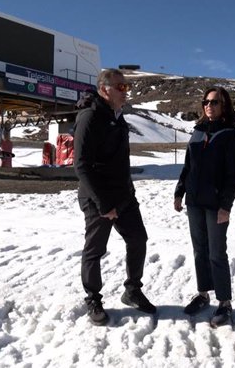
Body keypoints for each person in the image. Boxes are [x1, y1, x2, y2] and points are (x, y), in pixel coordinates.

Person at [73, 68, 156, 326]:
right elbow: (82, 165)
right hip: (99, 198)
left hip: (124, 196)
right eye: (120, 87)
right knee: (95, 250)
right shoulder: (90, 117)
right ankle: (93, 298)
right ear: (103, 89)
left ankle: (132, 290)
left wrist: (127, 192)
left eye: (126, 87)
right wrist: (104, 203)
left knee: (138, 239)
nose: (125, 91)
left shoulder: (116, 117)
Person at [173, 86, 235, 327]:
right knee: (199, 250)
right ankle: (203, 294)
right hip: (194, 202)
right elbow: (187, 166)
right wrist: (179, 192)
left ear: (224, 106)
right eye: (206, 101)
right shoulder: (197, 132)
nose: (209, 106)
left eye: (215, 102)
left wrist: (226, 206)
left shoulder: (230, 135)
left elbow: (234, 176)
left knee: (216, 253)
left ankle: (224, 302)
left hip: (215, 205)